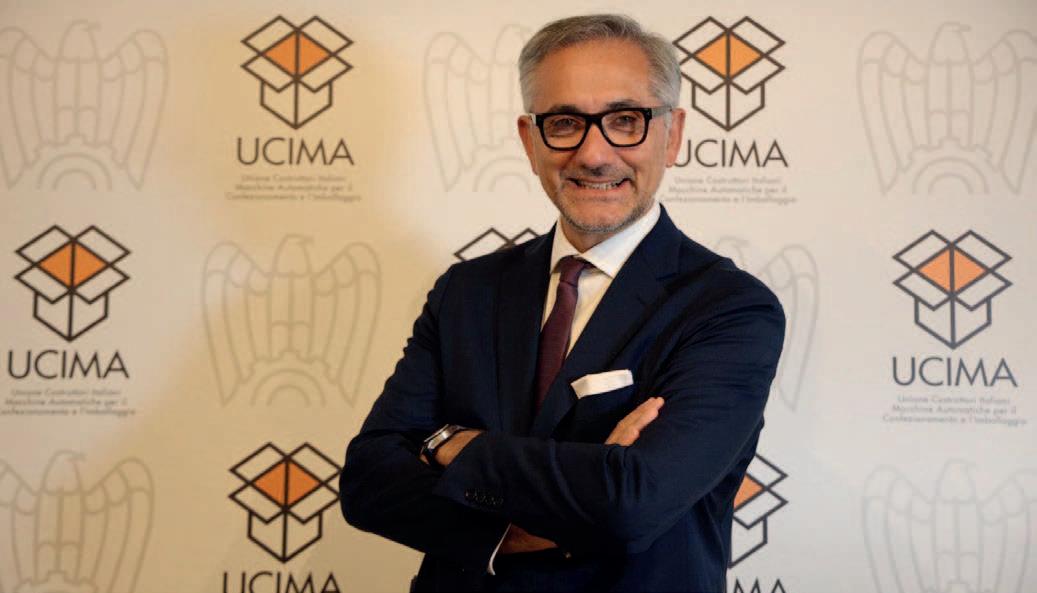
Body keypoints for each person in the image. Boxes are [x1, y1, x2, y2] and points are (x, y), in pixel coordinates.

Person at [340, 14, 785, 593]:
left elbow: (633, 503)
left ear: (672, 135)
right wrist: (555, 511)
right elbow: (369, 483)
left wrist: (452, 444)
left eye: (625, 120)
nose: (594, 154)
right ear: (530, 141)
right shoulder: (466, 291)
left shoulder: (729, 308)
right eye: (566, 123)